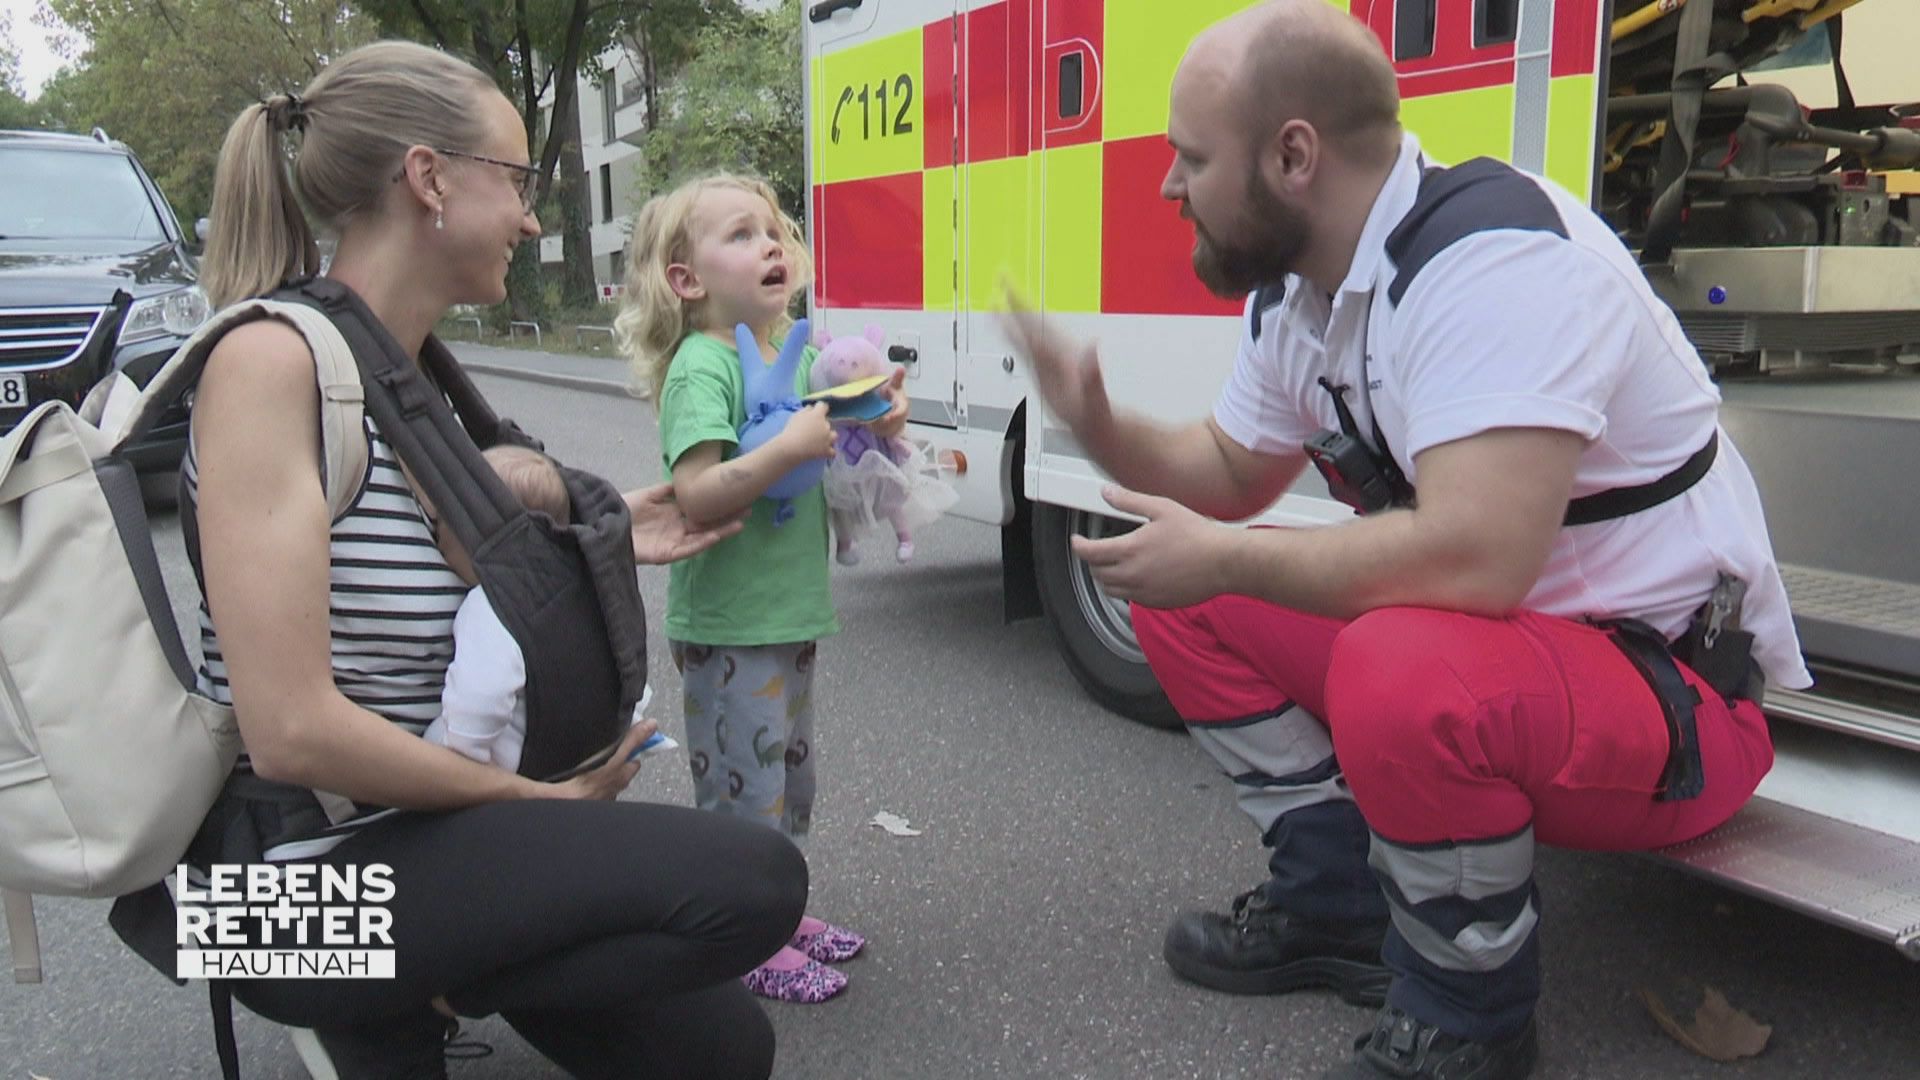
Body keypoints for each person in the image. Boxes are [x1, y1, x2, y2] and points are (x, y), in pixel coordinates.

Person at [1002, 3, 1807, 1077]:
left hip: (1680, 716)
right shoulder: (1302, 296)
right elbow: (1235, 475)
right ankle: (1337, 911)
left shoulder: (1494, 261)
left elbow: (1477, 559)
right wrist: (1095, 423)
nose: (1167, 186)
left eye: (1190, 158)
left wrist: (1228, 551)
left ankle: (1473, 1020)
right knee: (1184, 597)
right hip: (1522, 675)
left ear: (1293, 156)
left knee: (1391, 655)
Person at [185, 40, 806, 1080]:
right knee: (754, 883)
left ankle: (435, 979)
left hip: (424, 841)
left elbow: (481, 600)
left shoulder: (416, 378)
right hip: (281, 898)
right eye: (517, 180)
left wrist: (611, 534)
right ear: (429, 180)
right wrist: (538, 810)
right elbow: (288, 733)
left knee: (723, 1049)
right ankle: (403, 993)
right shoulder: (270, 363)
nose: (529, 215)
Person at [616, 173, 909, 1004]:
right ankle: (738, 939)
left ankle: (774, 915)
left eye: (776, 230)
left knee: (785, 781)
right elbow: (698, 492)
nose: (772, 244)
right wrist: (785, 453)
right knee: (742, 790)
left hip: (788, 617)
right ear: (687, 279)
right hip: (730, 625)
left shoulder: (799, 350)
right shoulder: (699, 369)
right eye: (743, 234)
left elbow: (851, 413)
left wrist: (882, 415)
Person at [422, 445, 640, 774]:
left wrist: (460, 748)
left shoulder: (490, 605)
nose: (437, 534)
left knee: (429, 744)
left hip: (512, 759)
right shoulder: (578, 585)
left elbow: (482, 697)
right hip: (588, 741)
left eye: (442, 523)